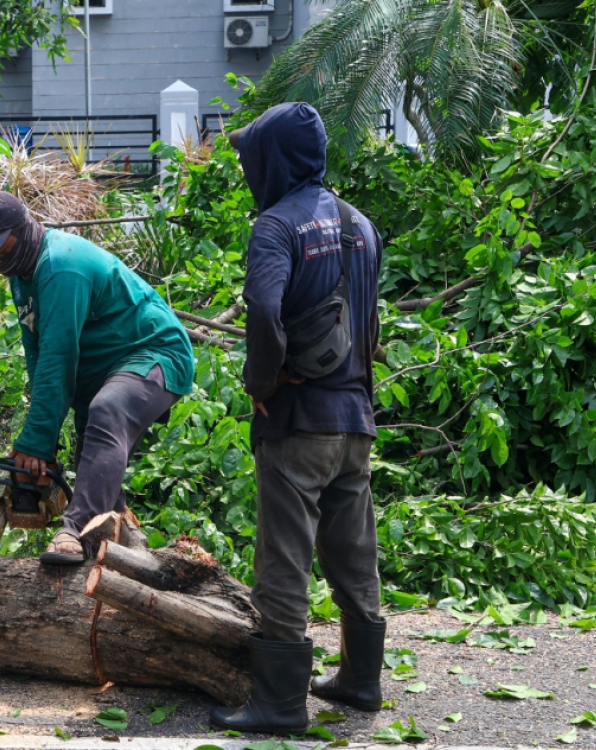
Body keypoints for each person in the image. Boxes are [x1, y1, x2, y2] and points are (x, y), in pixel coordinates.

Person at [209, 103, 385, 735]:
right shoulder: (361, 224)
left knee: (284, 559)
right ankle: (362, 681)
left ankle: (280, 703)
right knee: (353, 550)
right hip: (355, 419)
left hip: (299, 420)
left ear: (272, 158)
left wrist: (263, 382)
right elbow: (368, 318)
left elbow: (262, 304)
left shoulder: (276, 227)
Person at [0, 191, 194, 564]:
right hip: (103, 371)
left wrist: (35, 442)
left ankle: (74, 530)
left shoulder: (61, 266)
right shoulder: (21, 273)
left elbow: (60, 354)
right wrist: (41, 442)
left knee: (107, 412)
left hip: (154, 354)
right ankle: (120, 556)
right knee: (95, 469)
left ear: (22, 230)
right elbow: (38, 357)